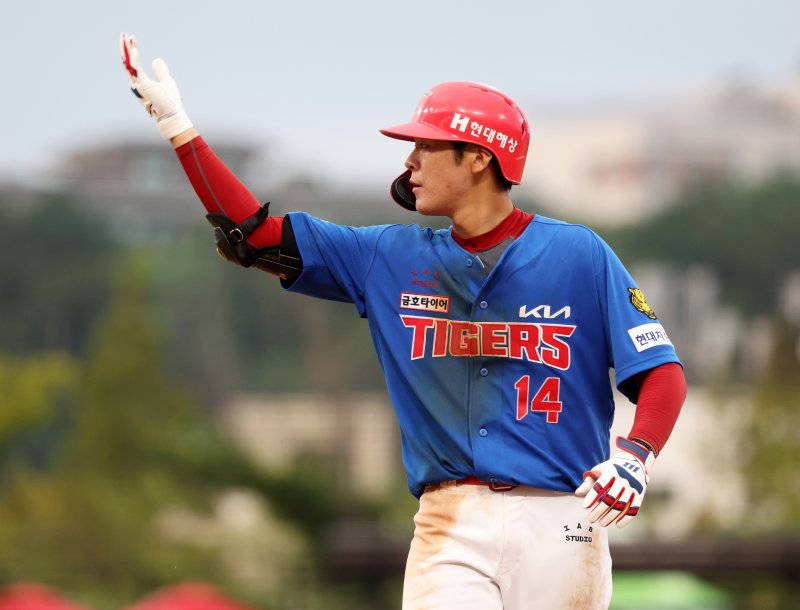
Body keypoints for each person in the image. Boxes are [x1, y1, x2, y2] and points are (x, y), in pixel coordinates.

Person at [119, 33, 687, 610]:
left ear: (479, 156)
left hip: (563, 518)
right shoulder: (387, 257)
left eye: (426, 146)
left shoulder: (579, 254)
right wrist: (178, 128)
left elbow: (661, 372)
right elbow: (256, 238)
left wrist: (635, 456)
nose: (409, 162)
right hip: (450, 521)